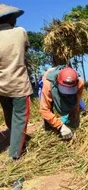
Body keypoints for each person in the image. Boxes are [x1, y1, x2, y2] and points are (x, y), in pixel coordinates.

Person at [0, 4, 33, 159]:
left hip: (1, 86)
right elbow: (25, 50)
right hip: (18, 85)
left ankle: (15, 141)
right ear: (11, 18)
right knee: (20, 118)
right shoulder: (20, 32)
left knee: (9, 116)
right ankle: (15, 156)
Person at [39, 66, 84, 140]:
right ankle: (50, 130)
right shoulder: (48, 85)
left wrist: (75, 114)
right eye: (65, 89)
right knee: (48, 122)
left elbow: (77, 101)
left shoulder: (79, 83)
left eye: (70, 89)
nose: (67, 92)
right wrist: (60, 126)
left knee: (76, 112)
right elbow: (44, 110)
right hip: (49, 83)